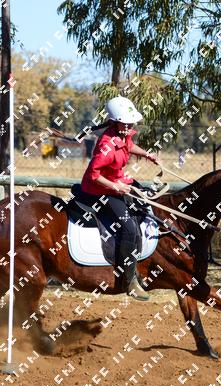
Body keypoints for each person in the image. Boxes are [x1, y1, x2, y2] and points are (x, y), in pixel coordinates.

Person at [80, 96, 159, 301]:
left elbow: (129, 146)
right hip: (100, 191)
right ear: (114, 122)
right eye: (126, 123)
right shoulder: (106, 146)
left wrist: (147, 154)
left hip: (117, 182)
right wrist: (116, 186)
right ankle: (128, 280)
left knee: (144, 202)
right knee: (128, 228)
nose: (130, 126)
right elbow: (93, 175)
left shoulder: (123, 134)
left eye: (131, 123)